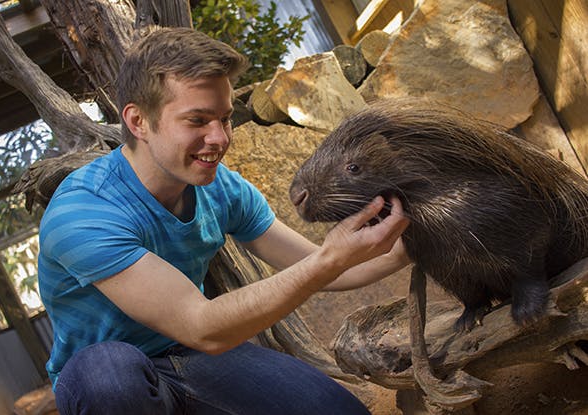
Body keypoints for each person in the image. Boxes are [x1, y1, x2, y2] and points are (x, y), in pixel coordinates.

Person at [38, 26, 410, 415]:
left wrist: (406, 245)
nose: (219, 138)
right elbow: (201, 325)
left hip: (190, 355)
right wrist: (328, 259)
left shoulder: (221, 187)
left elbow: (325, 267)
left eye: (225, 118)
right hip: (115, 374)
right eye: (198, 120)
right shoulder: (84, 209)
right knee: (109, 377)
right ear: (138, 121)